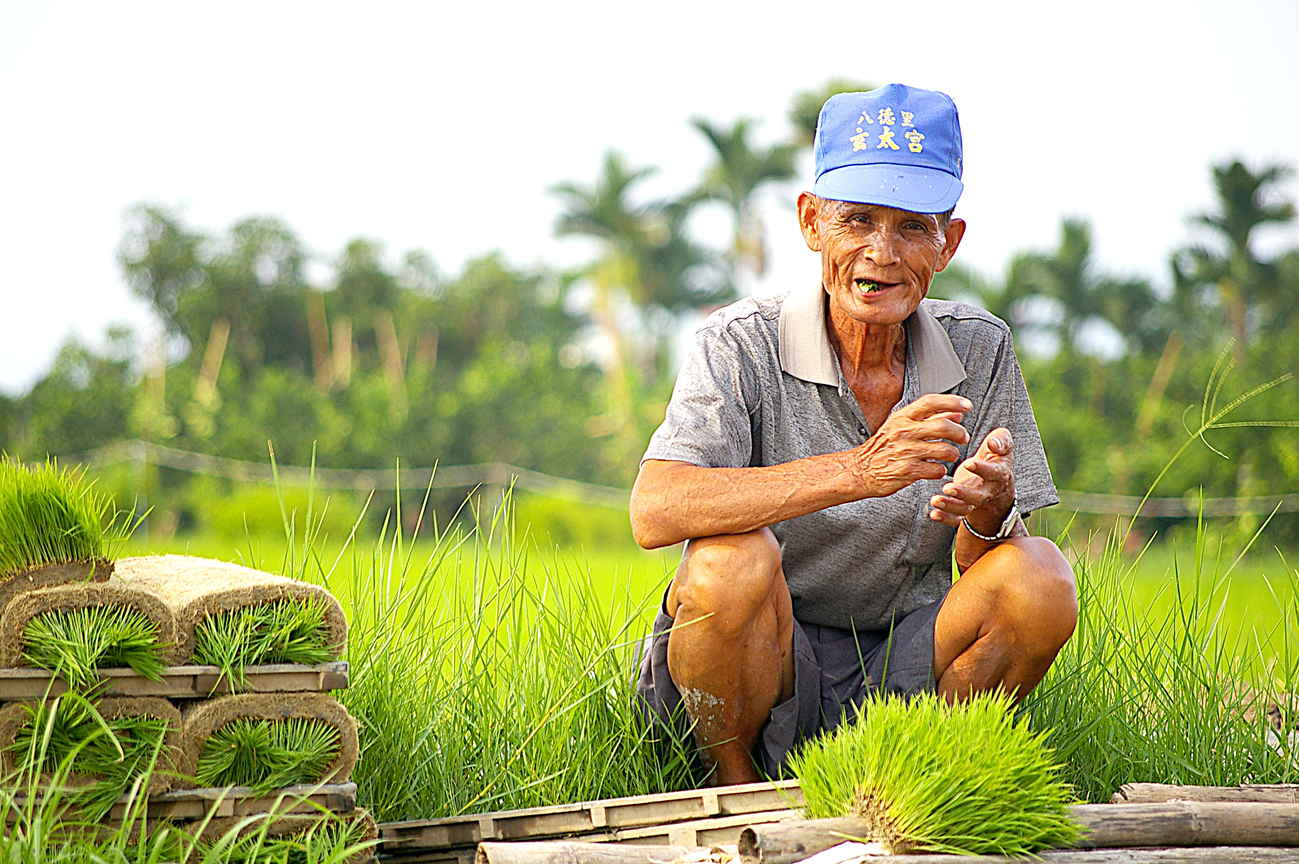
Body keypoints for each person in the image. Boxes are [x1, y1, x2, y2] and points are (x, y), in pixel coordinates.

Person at [630, 84, 1078, 786]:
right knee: (728, 562)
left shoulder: (979, 348)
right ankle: (732, 795)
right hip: (764, 659)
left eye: (910, 227)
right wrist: (861, 470)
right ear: (811, 223)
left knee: (1040, 575)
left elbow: (980, 569)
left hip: (906, 653)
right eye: (857, 220)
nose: (881, 252)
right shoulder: (738, 342)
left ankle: (914, 789)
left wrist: (988, 511)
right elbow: (654, 510)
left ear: (947, 243)